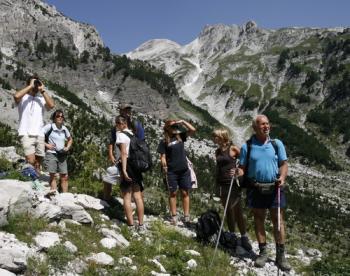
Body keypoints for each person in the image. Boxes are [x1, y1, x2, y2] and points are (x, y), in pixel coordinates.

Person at [238, 114, 291, 271]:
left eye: (267, 124)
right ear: (255, 127)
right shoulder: (247, 146)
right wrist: (238, 174)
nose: (266, 126)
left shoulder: (276, 144)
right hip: (256, 188)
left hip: (275, 187)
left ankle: (280, 255)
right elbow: (242, 167)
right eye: (262, 124)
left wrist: (282, 177)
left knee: (278, 220)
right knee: (259, 219)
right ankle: (263, 252)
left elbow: (284, 164)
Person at [212, 128, 252, 251]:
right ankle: (232, 234)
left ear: (222, 137)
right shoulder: (217, 151)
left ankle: (244, 236)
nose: (214, 139)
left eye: (216, 136)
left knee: (237, 211)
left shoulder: (233, 148)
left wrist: (238, 170)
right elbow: (219, 167)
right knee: (227, 210)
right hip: (222, 183)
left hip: (233, 183)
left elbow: (245, 160)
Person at [102, 104, 145, 203]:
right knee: (111, 176)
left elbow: (142, 143)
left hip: (133, 160)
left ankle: (135, 204)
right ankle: (107, 200)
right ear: (120, 112)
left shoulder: (137, 125)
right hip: (119, 159)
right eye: (124, 111)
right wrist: (111, 155)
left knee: (136, 184)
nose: (126, 113)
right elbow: (111, 142)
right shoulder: (116, 127)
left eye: (128, 110)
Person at [157, 119, 196, 225]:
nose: (175, 128)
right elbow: (163, 156)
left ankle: (186, 216)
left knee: (185, 192)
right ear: (167, 128)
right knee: (173, 193)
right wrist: (164, 165)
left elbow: (193, 130)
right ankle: (174, 216)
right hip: (171, 171)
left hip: (184, 170)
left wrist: (183, 122)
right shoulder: (164, 141)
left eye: (176, 126)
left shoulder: (180, 136)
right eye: (172, 126)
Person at [13, 75, 55, 174]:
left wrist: (42, 90)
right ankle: (28, 177)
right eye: (34, 83)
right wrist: (30, 86)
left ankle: (34, 178)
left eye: (37, 83)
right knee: (31, 160)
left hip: (39, 133)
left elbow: (51, 105)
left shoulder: (41, 99)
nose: (35, 86)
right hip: (26, 132)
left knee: (38, 161)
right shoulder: (23, 98)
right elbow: (16, 96)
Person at [115, 115, 145, 230]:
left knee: (126, 196)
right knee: (137, 196)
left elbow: (123, 153)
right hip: (137, 166)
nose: (116, 125)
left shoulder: (121, 135)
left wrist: (123, 170)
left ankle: (131, 225)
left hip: (127, 165)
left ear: (124, 124)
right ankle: (141, 224)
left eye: (118, 123)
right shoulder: (133, 134)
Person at [43, 110, 73, 193]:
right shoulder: (49, 127)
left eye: (61, 116)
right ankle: (54, 194)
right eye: (58, 116)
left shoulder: (64, 128)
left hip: (62, 154)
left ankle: (65, 196)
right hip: (51, 154)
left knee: (64, 176)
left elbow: (70, 139)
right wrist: (47, 145)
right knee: (53, 175)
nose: (60, 118)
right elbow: (39, 136)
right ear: (54, 118)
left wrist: (67, 147)